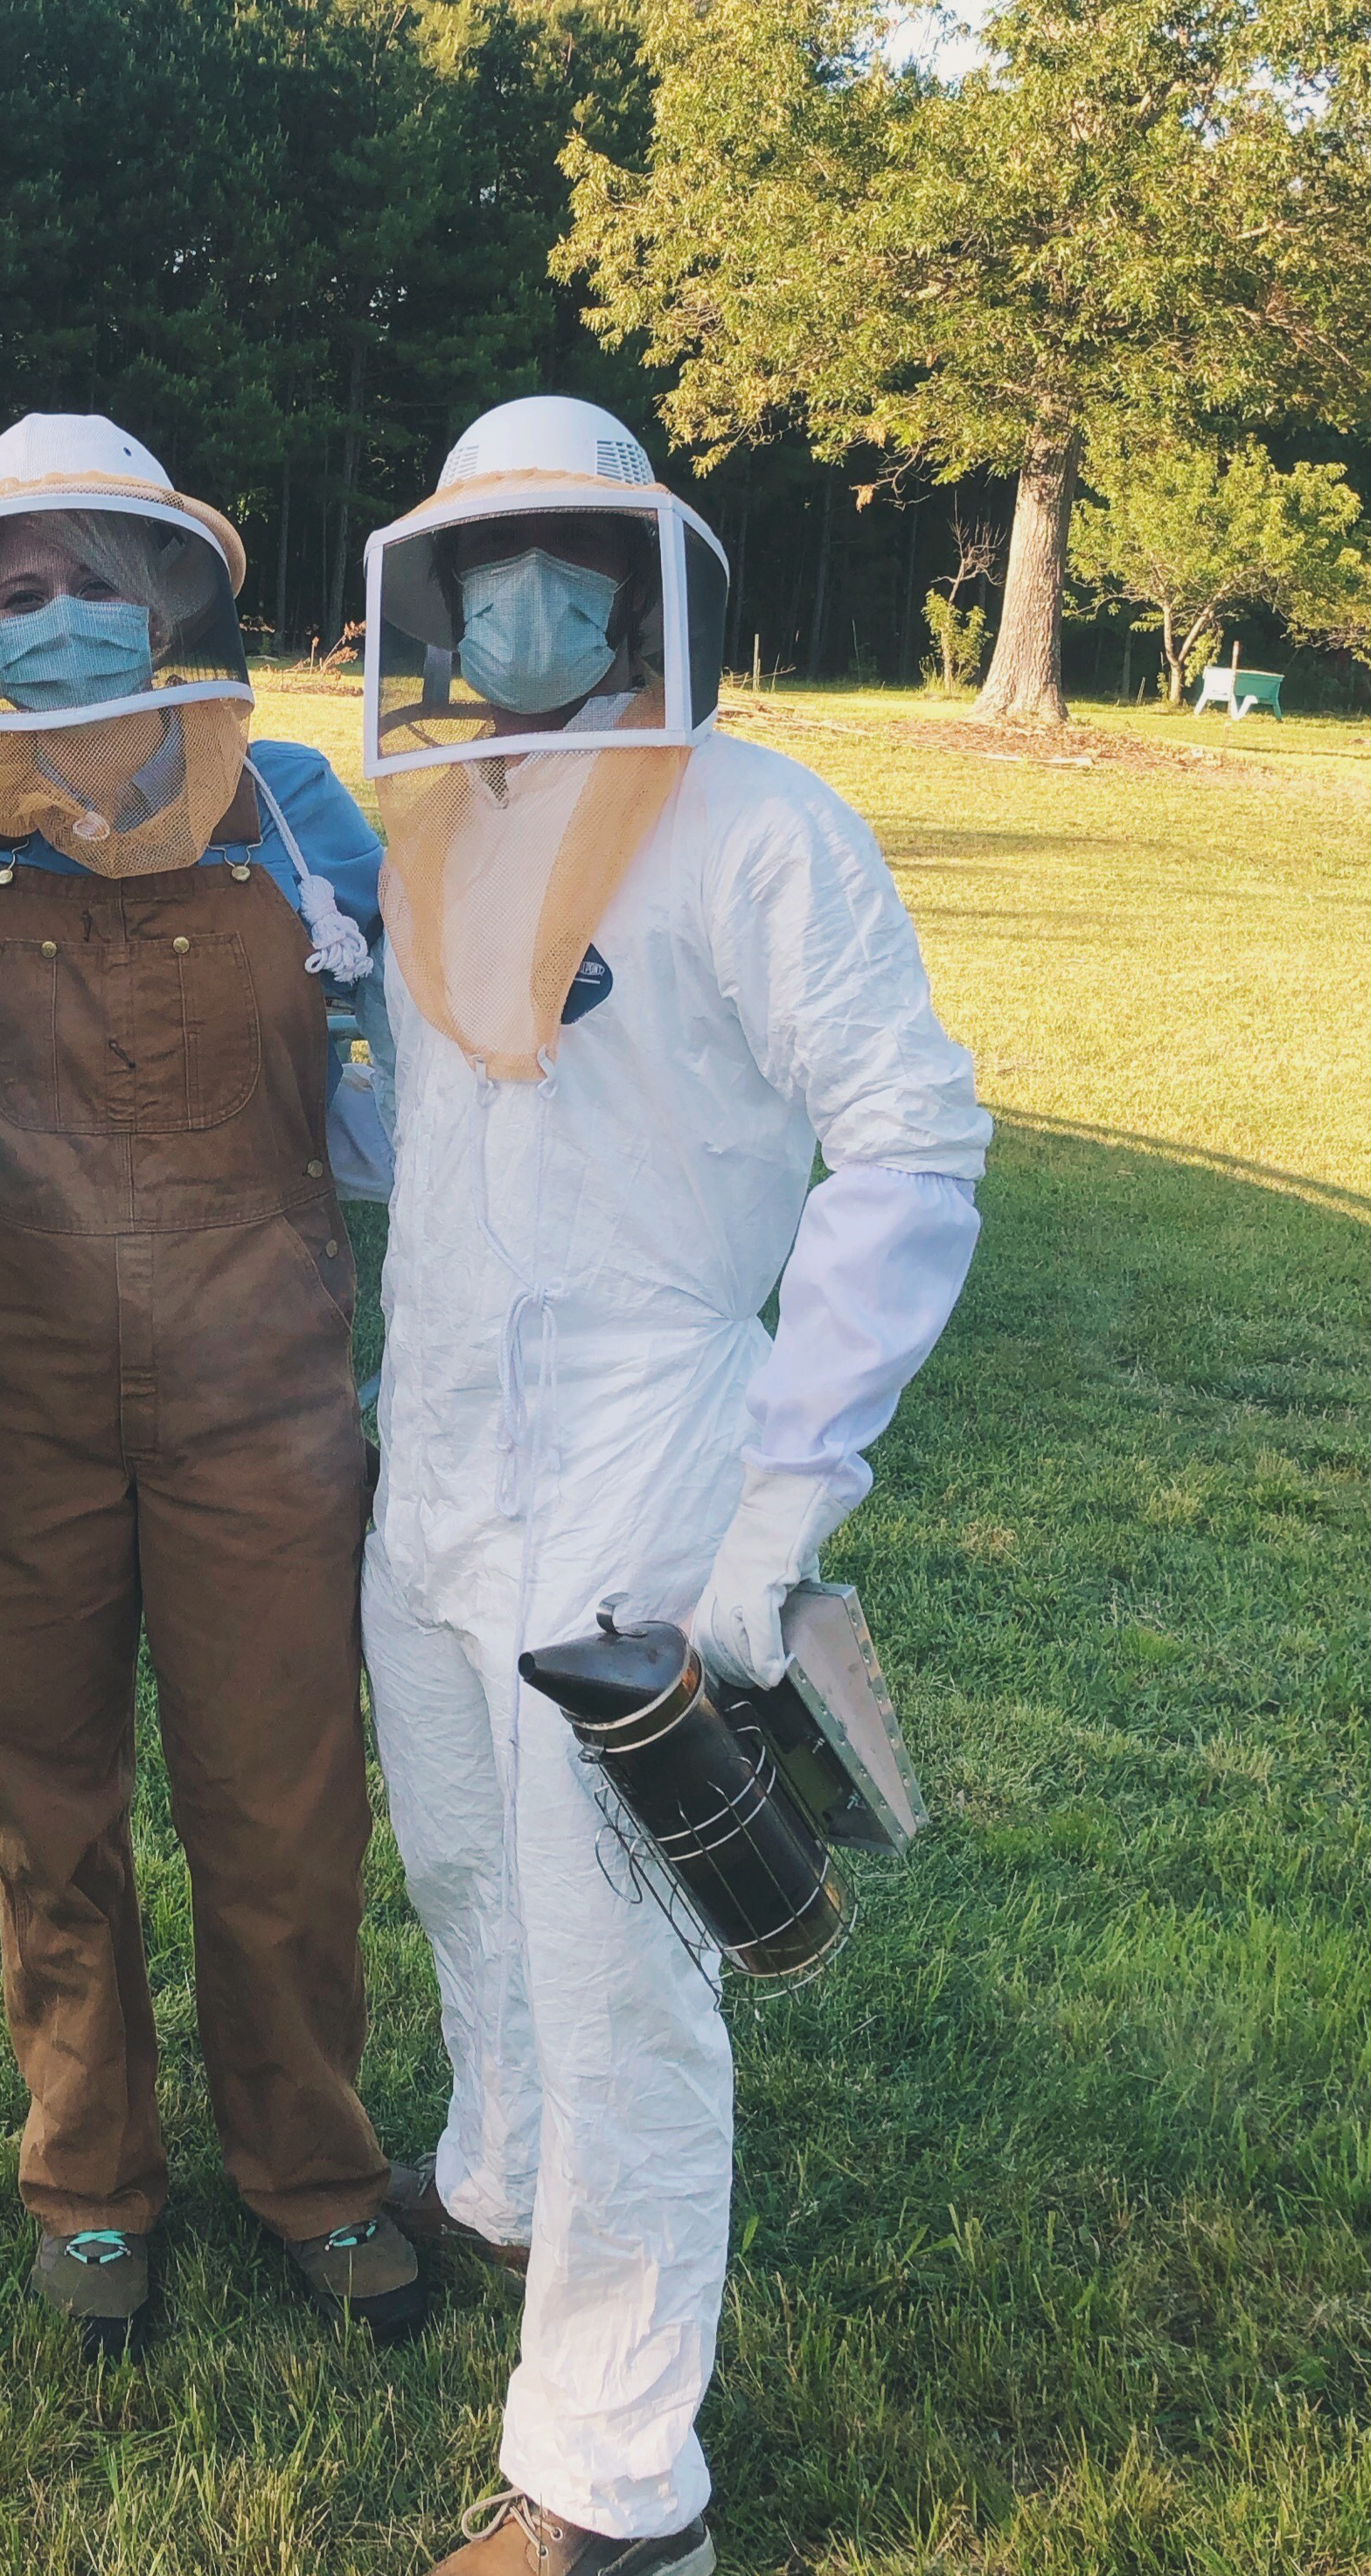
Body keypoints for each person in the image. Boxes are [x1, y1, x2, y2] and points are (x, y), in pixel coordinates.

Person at [351, 396, 990, 2576]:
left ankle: (617, 2488)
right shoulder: (434, 816)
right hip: (437, 1450)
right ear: (431, 591)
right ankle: (503, 2190)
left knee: (621, 1963)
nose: (521, 598)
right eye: (484, 560)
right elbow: (444, 1130)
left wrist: (785, 1490)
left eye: (569, 555)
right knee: (464, 1867)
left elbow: (909, 1138)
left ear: (642, 583)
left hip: (639, 1462)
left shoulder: (759, 822)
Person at [0, 413, 424, 2356]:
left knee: (283, 1801)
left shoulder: (292, 801)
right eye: (16, 591)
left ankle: (313, 2167)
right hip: (19, 1385)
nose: (57, 615)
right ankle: (86, 2179)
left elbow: (421, 1015)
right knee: (47, 1800)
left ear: (168, 602)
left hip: (265, 1384)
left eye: (91, 580)